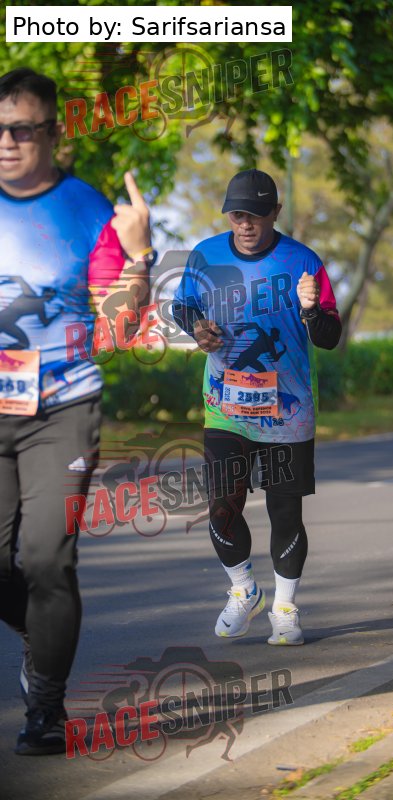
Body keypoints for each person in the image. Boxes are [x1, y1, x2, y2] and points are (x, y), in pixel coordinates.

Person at [0, 68, 155, 755]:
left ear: (53, 133)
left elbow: (119, 324)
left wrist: (140, 253)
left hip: (62, 407)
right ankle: (43, 633)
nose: (6, 143)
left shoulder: (87, 210)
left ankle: (46, 710)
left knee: (46, 559)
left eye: (21, 130)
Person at [173, 169, 341, 645]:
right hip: (224, 407)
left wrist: (311, 310)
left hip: (287, 412)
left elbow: (329, 337)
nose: (246, 224)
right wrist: (197, 328)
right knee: (222, 507)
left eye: (256, 214)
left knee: (285, 512)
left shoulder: (303, 262)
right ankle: (244, 590)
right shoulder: (205, 256)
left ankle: (285, 608)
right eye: (237, 215)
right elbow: (182, 306)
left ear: (275, 213)